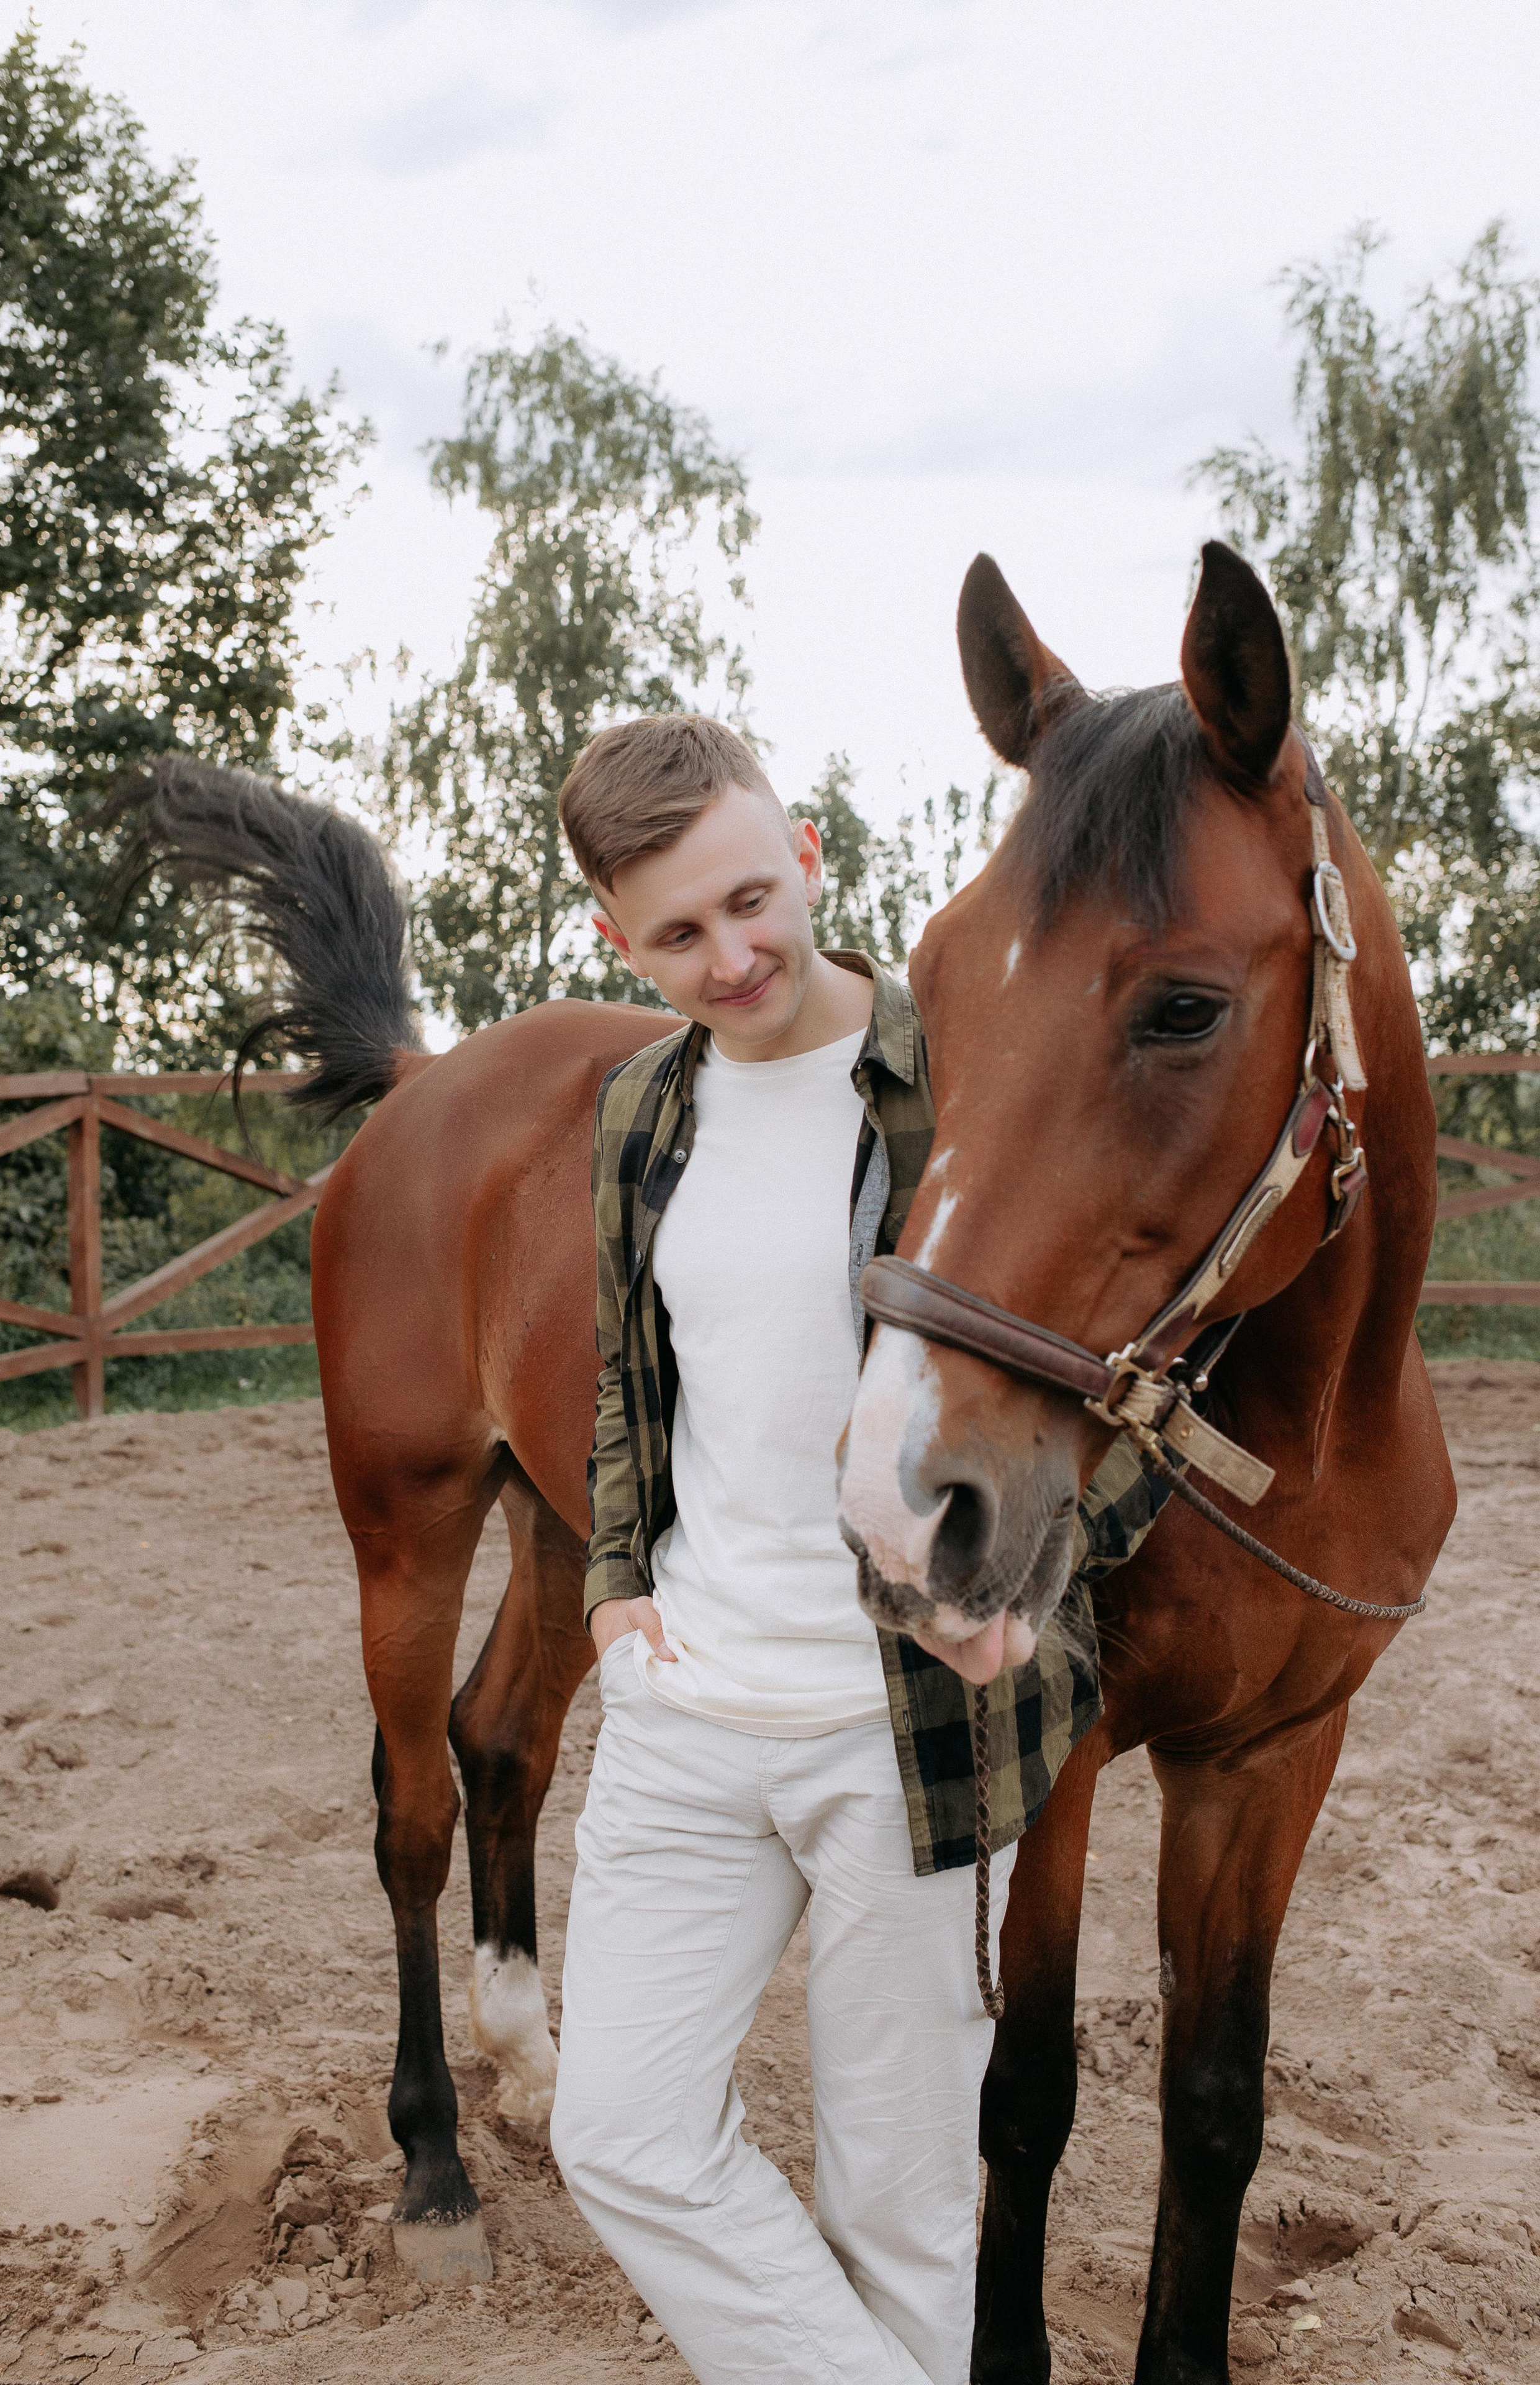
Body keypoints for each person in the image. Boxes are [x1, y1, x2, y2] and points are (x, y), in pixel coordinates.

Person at [548, 716, 1160, 2385]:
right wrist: (613, 1599)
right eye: (677, 934)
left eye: (752, 897)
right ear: (621, 943)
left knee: (901, 2209)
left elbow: (1142, 1383)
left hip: (913, 1733)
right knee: (618, 2132)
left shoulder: (968, 1077)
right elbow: (625, 1384)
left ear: (806, 850)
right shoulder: (634, 1115)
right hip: (686, 1715)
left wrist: (1035, 1586)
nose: (733, 955)